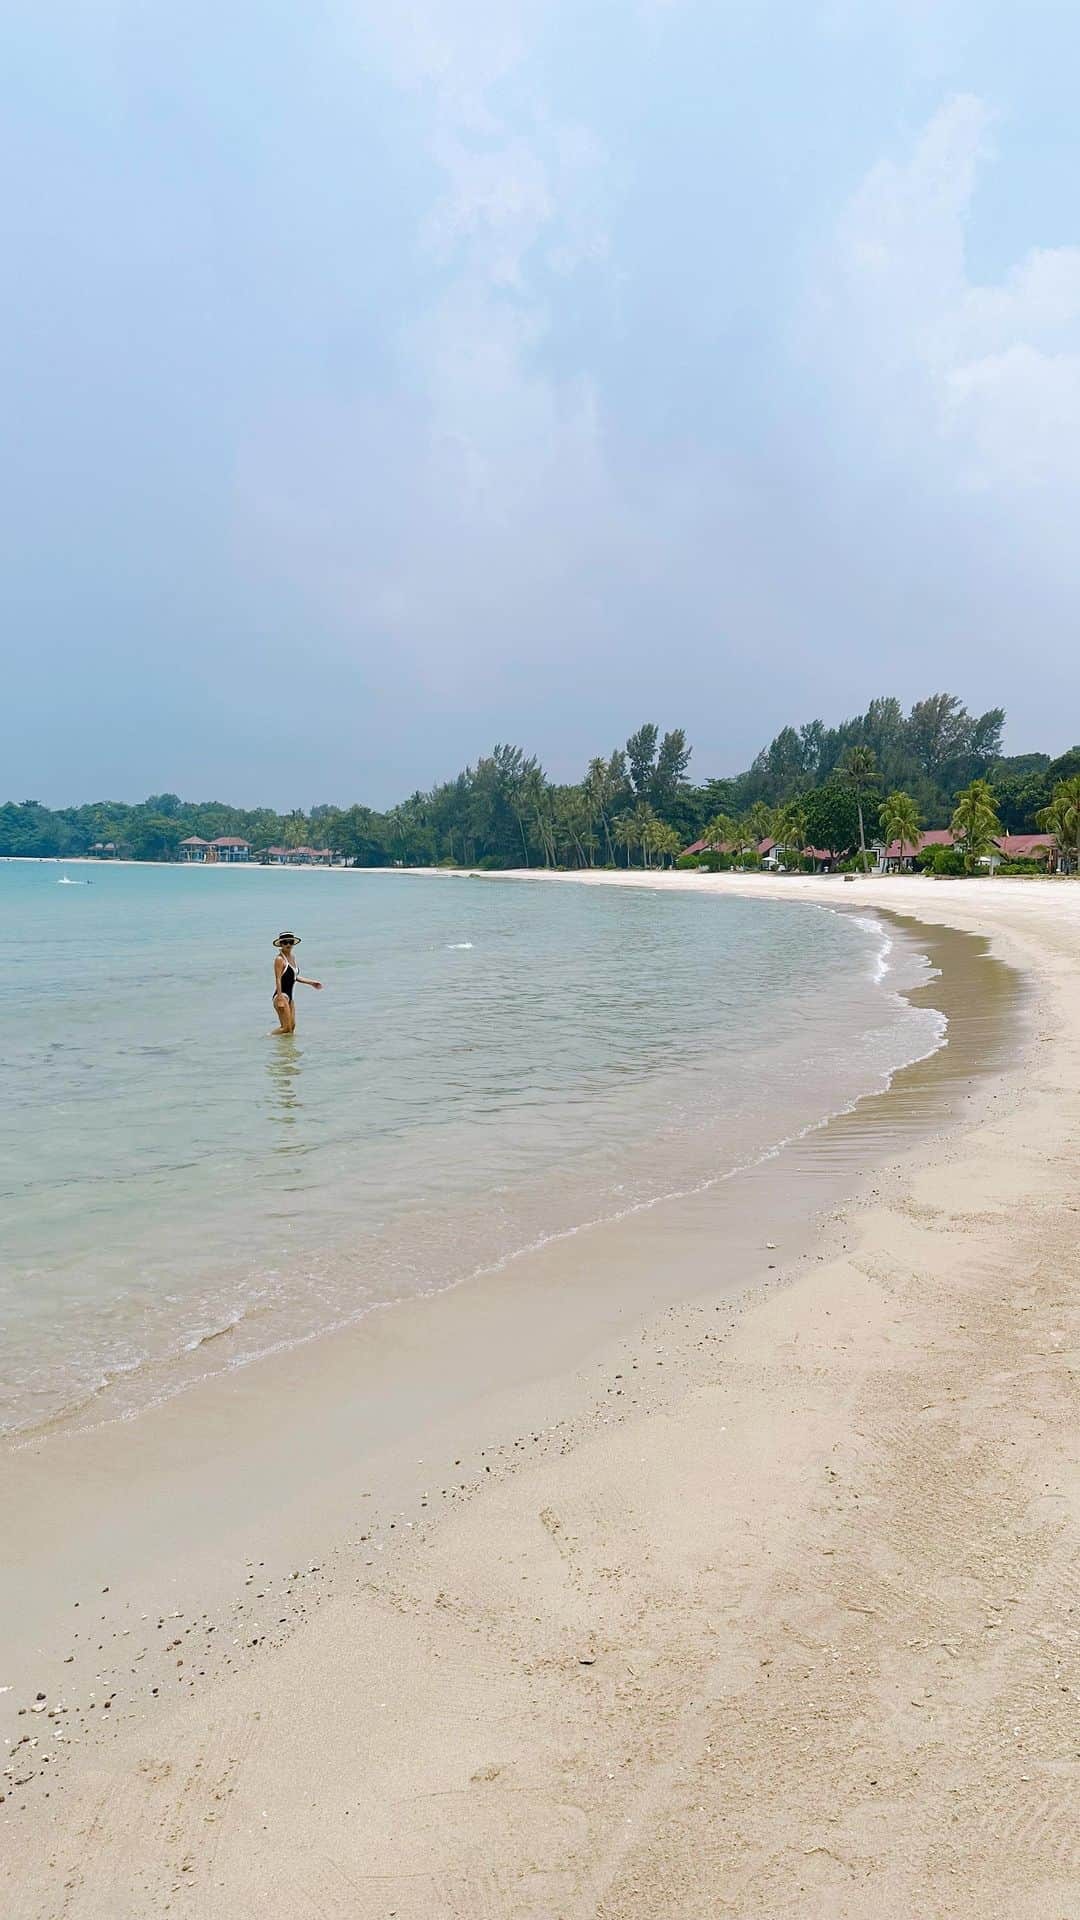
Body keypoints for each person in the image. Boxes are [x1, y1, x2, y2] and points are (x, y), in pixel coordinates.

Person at [270, 931, 322, 1034]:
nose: (288, 944)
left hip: (290, 996)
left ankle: (287, 1049)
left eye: (290, 942)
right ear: (280, 944)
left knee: (292, 1027)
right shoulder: (279, 959)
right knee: (285, 1028)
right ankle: (267, 1038)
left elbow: (294, 977)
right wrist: (280, 998)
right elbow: (278, 979)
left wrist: (311, 983)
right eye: (285, 942)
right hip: (281, 995)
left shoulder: (292, 958)